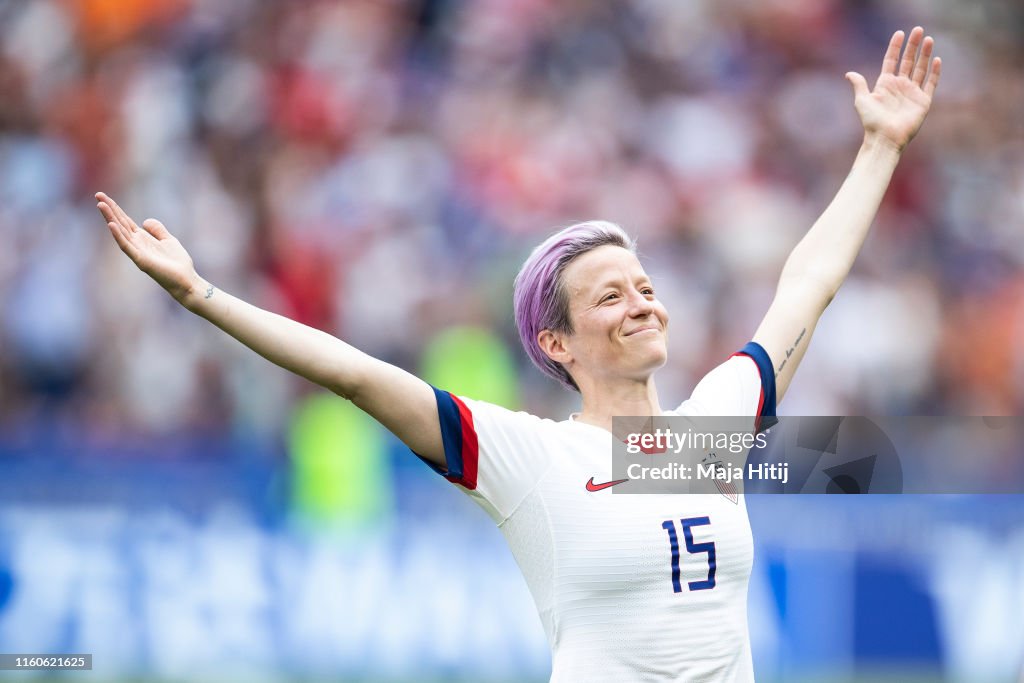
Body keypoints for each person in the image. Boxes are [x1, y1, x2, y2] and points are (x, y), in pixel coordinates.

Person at [96, 27, 940, 683]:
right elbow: (352, 373)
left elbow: (807, 287)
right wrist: (202, 296)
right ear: (556, 342)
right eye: (610, 294)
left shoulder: (710, 428)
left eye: (643, 285)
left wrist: (880, 148)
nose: (642, 301)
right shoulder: (532, 456)